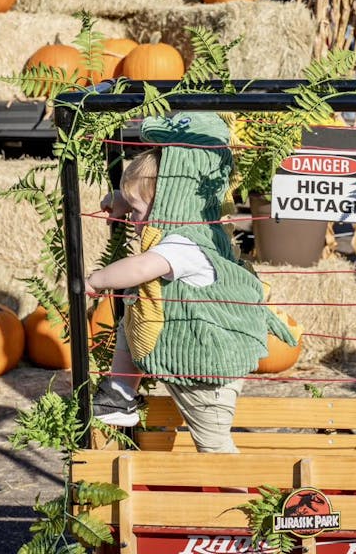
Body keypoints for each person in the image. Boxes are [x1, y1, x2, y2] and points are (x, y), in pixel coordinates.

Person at [86, 111, 296, 453]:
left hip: (207, 371)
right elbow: (156, 194)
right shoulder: (196, 221)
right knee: (133, 310)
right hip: (185, 347)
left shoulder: (184, 244)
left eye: (138, 212)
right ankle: (120, 395)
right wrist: (122, 199)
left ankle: (238, 498)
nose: (135, 222)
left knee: (213, 443)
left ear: (168, 201)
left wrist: (97, 280)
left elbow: (140, 268)